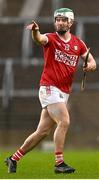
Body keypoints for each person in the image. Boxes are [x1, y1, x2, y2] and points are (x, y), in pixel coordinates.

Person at [5, 8, 96, 174]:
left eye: (63, 19)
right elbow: (40, 39)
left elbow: (91, 61)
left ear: (70, 22)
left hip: (63, 92)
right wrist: (35, 32)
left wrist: (90, 66)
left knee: (42, 132)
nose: (59, 22)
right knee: (65, 121)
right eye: (57, 19)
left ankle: (13, 158)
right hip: (49, 87)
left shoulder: (78, 43)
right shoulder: (51, 38)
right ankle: (59, 163)